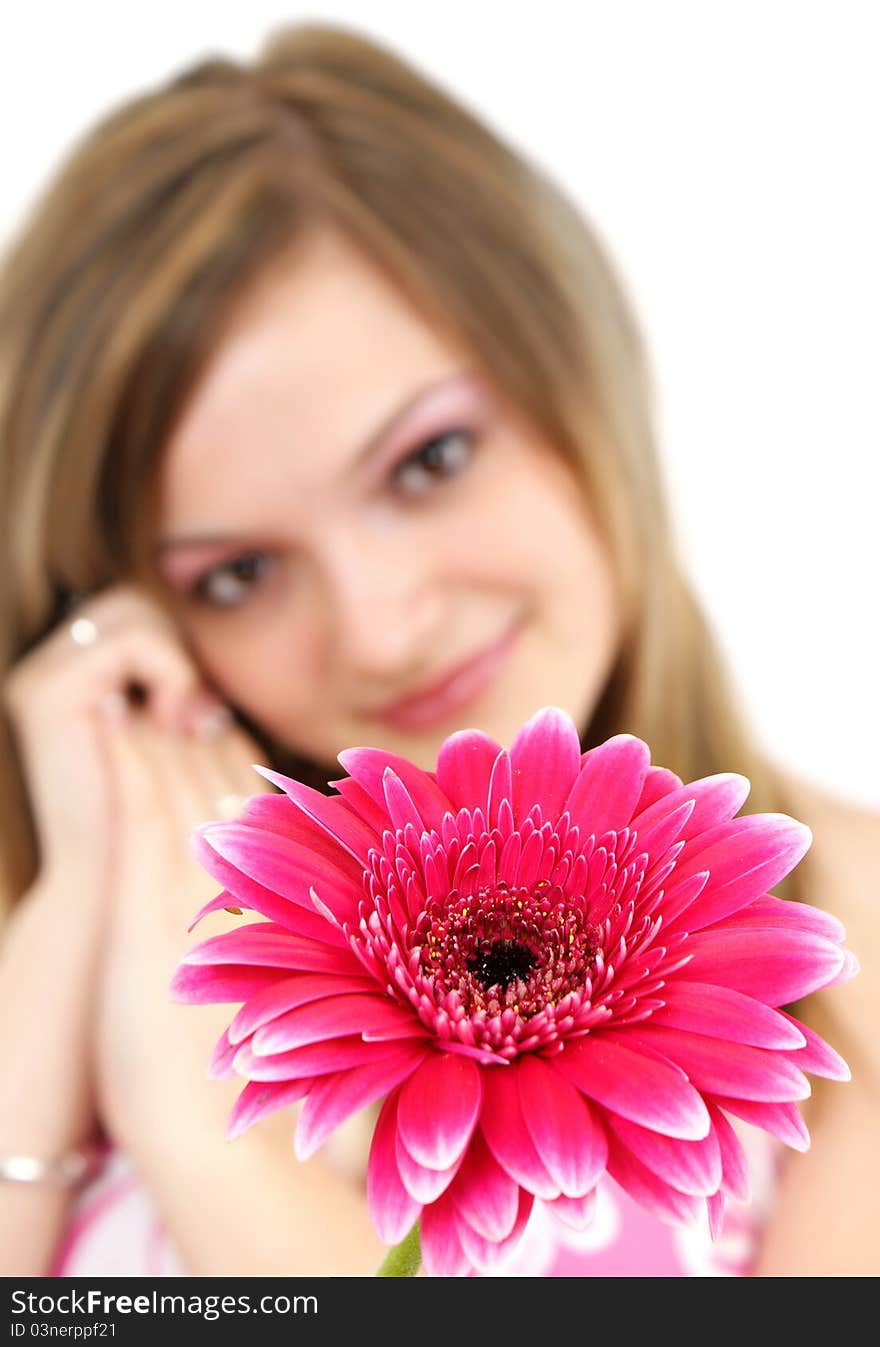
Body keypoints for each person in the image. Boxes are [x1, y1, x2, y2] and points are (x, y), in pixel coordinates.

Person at [0, 22, 876, 1279]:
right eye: (238, 574)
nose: (380, 628)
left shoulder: (848, 941)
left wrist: (201, 1136)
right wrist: (77, 889)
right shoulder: (91, 925)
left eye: (429, 461)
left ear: (581, 369)